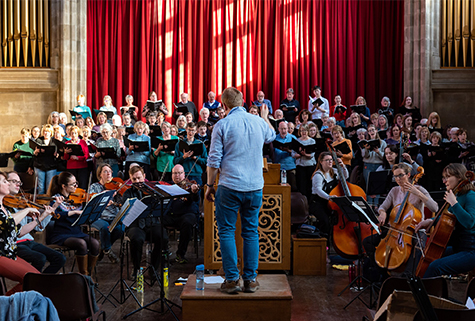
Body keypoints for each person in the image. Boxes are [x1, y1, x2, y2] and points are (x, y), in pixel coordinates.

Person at [206, 86, 275, 294]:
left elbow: (214, 160)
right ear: (243, 101)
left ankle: (232, 280)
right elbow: (271, 136)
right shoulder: (258, 122)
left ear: (224, 106)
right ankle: (251, 280)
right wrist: (265, 117)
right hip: (254, 187)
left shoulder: (222, 124)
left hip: (229, 186)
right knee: (251, 232)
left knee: (226, 231)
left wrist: (209, 186)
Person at [363, 163, 438, 276]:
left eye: (400, 175)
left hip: (414, 230)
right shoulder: (394, 190)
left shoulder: (419, 189)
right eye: (395, 176)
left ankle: (407, 277)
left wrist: (418, 193)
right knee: (367, 242)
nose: (398, 179)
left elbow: (435, 207)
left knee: (419, 247)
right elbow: (383, 207)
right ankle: (382, 272)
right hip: (394, 229)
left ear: (408, 175)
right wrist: (382, 213)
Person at [416, 163, 475, 277]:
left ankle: (428, 294)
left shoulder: (470, 195)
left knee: (435, 266)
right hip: (458, 247)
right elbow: (449, 218)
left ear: (459, 177)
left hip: (471, 250)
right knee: (423, 256)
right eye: (444, 177)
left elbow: (470, 222)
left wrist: (454, 203)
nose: (444, 181)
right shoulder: (457, 195)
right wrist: (431, 220)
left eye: (448, 177)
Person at [5, 171, 65, 274]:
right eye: (14, 181)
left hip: (29, 240)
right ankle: (33, 284)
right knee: (40, 258)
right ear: (5, 183)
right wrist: (26, 211)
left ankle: (41, 283)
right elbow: (14, 229)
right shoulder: (4, 206)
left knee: (60, 258)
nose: (18, 184)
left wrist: (50, 211)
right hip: (14, 244)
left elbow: (38, 228)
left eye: (19, 182)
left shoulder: (21, 203)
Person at [47, 171, 100, 277]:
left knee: (95, 244)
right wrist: (73, 212)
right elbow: (54, 215)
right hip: (61, 234)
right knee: (81, 244)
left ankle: (89, 274)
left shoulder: (77, 197)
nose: (76, 186)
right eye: (73, 184)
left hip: (76, 232)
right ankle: (83, 275)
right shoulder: (55, 199)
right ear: (64, 186)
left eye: (76, 183)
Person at [122, 165, 168, 280]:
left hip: (151, 222)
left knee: (163, 237)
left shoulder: (153, 191)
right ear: (130, 179)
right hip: (135, 225)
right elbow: (126, 213)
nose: (137, 181)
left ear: (144, 176)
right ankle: (136, 268)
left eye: (139, 178)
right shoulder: (127, 194)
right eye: (134, 179)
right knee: (137, 239)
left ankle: (153, 268)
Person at [0, 172, 41, 296]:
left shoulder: (6, 209)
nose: (8, 183)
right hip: (1, 255)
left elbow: (19, 232)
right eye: (4, 181)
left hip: (10, 254)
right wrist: (26, 209)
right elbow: (8, 222)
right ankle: (5, 305)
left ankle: (5, 302)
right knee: (33, 280)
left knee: (37, 279)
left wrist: (39, 219)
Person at [163, 164, 200, 264]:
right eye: (175, 173)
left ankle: (180, 254)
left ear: (184, 174)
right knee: (157, 220)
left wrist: (194, 192)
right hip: (171, 215)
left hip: (186, 214)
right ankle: (164, 249)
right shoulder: (167, 186)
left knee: (188, 222)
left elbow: (196, 199)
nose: (177, 175)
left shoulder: (189, 185)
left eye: (179, 173)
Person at [89, 164, 123, 263]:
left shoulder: (116, 187)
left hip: (113, 216)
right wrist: (105, 199)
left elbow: (120, 204)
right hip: (99, 216)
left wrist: (117, 198)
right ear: (100, 174)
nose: (108, 173)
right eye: (105, 171)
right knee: (105, 227)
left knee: (121, 229)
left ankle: (103, 249)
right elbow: (92, 203)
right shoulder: (94, 187)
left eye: (110, 171)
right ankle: (107, 250)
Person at [310, 152, 348, 237]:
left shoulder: (334, 171)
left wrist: (343, 167)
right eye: (327, 160)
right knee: (325, 221)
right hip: (318, 203)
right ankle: (323, 241)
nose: (330, 162)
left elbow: (345, 177)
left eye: (331, 159)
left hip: (330, 203)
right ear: (321, 162)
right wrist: (328, 197)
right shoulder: (318, 175)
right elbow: (318, 190)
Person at [292, 124, 316, 200]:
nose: (304, 132)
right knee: (301, 185)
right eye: (302, 131)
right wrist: (299, 155)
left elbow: (312, 155)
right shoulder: (297, 141)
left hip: (309, 165)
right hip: (300, 166)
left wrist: (305, 154)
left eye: (305, 130)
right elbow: (293, 154)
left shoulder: (312, 141)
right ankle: (302, 201)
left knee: (309, 185)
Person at [273, 121, 298, 191]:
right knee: (279, 188)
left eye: (285, 128)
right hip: (278, 166)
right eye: (281, 129)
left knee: (293, 187)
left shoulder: (293, 138)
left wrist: (289, 151)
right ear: (278, 129)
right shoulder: (274, 138)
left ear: (287, 129)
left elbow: (297, 152)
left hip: (290, 166)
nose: (283, 131)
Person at [33, 125, 57, 195]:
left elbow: (58, 154)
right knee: (41, 187)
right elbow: (34, 154)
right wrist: (36, 152)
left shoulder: (54, 141)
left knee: (49, 187)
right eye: (45, 131)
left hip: (51, 166)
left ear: (51, 133)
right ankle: (41, 202)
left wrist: (56, 154)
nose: (46, 133)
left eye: (48, 131)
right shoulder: (38, 140)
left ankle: (48, 203)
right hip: (40, 165)